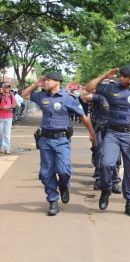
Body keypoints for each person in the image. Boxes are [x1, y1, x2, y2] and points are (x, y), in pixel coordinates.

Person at [22, 72, 97, 216]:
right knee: (46, 171)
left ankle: (63, 186)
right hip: (45, 139)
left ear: (57, 82)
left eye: (48, 80)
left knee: (63, 170)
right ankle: (52, 201)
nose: (45, 82)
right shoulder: (41, 96)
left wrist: (92, 133)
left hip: (62, 139)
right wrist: (35, 85)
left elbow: (83, 117)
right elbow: (25, 95)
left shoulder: (68, 98)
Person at [85, 65, 130, 217]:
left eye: (125, 77)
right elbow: (88, 89)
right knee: (106, 163)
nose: (121, 78)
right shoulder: (110, 88)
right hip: (112, 133)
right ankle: (106, 189)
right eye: (120, 75)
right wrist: (104, 76)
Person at [80, 84, 122, 194]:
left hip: (116, 129)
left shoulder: (122, 96)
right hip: (102, 128)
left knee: (116, 157)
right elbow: (83, 96)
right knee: (100, 152)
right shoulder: (100, 97)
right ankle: (99, 178)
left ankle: (114, 181)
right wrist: (99, 82)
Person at [0, 83, 18, 154]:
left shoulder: (11, 96)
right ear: (3, 88)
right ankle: (0, 145)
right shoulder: (0, 96)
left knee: (7, 133)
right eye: (6, 87)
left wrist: (13, 105)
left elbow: (16, 104)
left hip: (9, 117)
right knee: (0, 133)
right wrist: (4, 108)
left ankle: (7, 148)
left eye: (8, 87)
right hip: (1, 117)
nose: (7, 88)